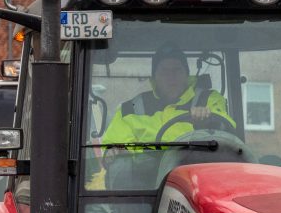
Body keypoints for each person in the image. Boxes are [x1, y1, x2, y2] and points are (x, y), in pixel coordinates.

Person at [101, 44, 235, 149]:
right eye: (164, 71)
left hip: (197, 174)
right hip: (146, 180)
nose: (171, 76)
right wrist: (119, 151)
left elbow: (227, 132)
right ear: (154, 78)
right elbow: (115, 149)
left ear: (186, 75)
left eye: (177, 70)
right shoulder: (130, 109)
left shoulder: (208, 100)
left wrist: (206, 123)